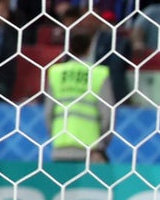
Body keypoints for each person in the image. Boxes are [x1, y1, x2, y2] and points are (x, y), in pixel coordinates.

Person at [43, 29, 114, 164]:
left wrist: (55, 136)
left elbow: (48, 112)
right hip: (90, 148)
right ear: (89, 48)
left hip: (61, 145)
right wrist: (102, 144)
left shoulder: (56, 73)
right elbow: (107, 114)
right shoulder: (98, 74)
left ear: (69, 48)